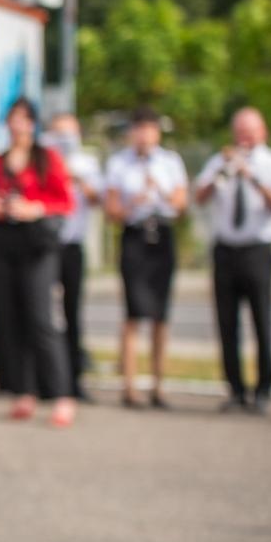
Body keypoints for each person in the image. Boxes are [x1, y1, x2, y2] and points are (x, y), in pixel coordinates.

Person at [0, 99, 77, 426]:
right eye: (12, 119)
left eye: (23, 119)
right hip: (4, 244)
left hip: (37, 245)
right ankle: (23, 390)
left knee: (41, 319)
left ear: (33, 124)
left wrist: (34, 207)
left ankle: (62, 394)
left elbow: (65, 202)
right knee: (9, 318)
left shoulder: (47, 158)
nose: (17, 125)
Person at [105, 106, 188, 409]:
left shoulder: (170, 162)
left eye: (149, 128)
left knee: (160, 314)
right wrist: (134, 202)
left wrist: (160, 192)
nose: (144, 135)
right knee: (132, 312)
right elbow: (111, 210)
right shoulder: (119, 163)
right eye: (139, 128)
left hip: (162, 235)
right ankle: (129, 386)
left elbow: (180, 204)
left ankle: (158, 385)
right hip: (135, 235)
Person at [194, 107, 271, 413]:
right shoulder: (220, 161)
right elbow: (200, 197)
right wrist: (223, 171)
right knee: (227, 322)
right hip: (225, 250)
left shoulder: (270, 162)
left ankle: (264, 388)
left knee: (262, 320)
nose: (245, 137)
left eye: (250, 131)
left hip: (257, 249)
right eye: (240, 131)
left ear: (262, 132)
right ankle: (235, 389)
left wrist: (251, 177)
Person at [48, 113, 104, 401]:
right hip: (45, 245)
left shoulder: (87, 163)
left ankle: (74, 378)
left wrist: (78, 179)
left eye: (68, 133)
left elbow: (98, 200)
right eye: (59, 133)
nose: (64, 139)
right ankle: (46, 379)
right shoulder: (43, 159)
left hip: (72, 245)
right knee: (44, 314)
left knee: (72, 313)